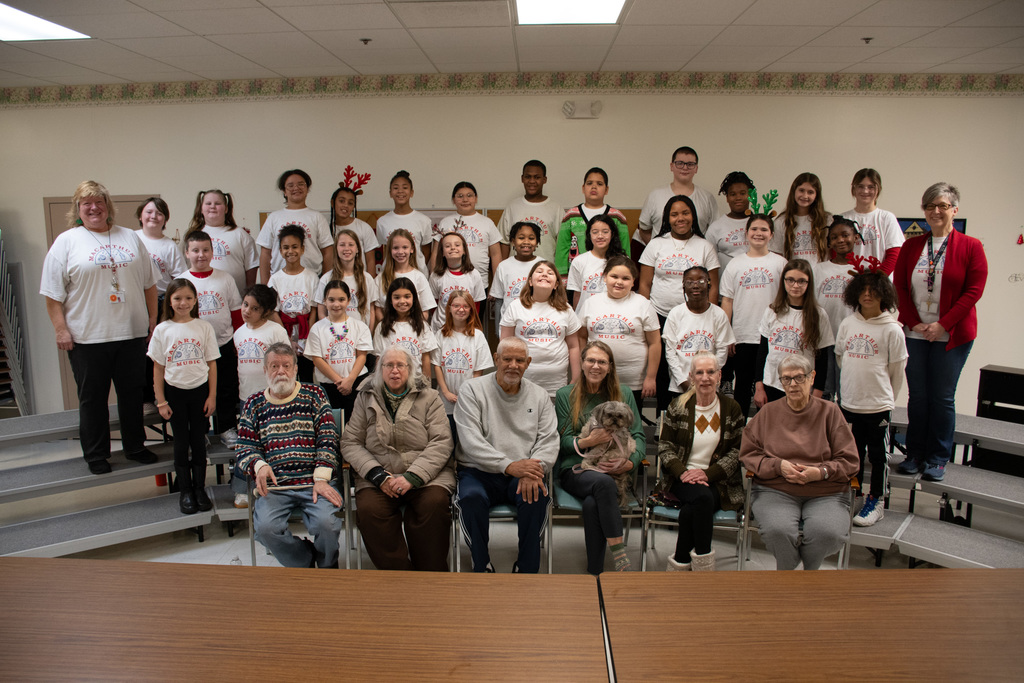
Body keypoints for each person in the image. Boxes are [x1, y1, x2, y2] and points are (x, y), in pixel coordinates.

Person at [41, 180, 159, 474]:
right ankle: (96, 455)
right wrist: (60, 329)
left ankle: (135, 447)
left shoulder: (131, 239)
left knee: (132, 395)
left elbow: (149, 284)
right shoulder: (67, 242)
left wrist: (152, 321)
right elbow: (52, 294)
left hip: (131, 333)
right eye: (86, 204)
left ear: (108, 206)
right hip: (86, 337)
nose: (94, 208)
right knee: (93, 399)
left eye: (99, 202)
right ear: (78, 210)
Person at [894, 182, 987, 482]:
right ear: (924, 211)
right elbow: (899, 288)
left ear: (954, 210)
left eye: (942, 206)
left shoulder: (972, 246)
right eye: (930, 206)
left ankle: (937, 458)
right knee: (918, 396)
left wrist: (943, 324)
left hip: (953, 334)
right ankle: (915, 454)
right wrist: (913, 321)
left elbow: (973, 291)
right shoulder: (911, 246)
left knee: (942, 397)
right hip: (916, 331)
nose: (936, 211)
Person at [739, 354, 859, 570]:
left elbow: (849, 461)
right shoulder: (767, 413)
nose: (793, 384)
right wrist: (778, 466)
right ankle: (790, 571)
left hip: (825, 492)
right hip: (776, 489)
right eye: (786, 379)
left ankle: (806, 572)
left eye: (799, 378)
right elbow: (749, 454)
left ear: (812, 377)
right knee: (778, 531)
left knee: (829, 534)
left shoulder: (830, 412)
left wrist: (820, 472)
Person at [341, 346, 455, 571]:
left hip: (426, 476)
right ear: (379, 369)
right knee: (370, 510)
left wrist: (413, 477)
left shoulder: (430, 397)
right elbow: (350, 442)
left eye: (400, 365)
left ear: (410, 369)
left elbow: (442, 442)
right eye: (388, 365)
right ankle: (399, 574)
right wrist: (378, 476)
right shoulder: (365, 397)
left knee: (434, 504)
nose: (395, 371)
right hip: (380, 477)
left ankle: (430, 574)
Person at [454, 337, 558, 573]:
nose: (513, 365)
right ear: (496, 359)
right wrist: (510, 466)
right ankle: (481, 564)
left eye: (519, 360)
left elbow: (549, 440)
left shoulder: (540, 396)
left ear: (528, 363)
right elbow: (471, 441)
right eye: (507, 359)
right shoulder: (472, 389)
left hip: (523, 473)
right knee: (470, 499)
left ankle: (527, 568)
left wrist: (534, 470)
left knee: (536, 496)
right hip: (478, 472)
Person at [235, 342, 343, 568]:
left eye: (286, 365)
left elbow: (328, 437)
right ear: (265, 370)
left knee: (327, 525)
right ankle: (304, 560)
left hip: (314, 482)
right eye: (274, 366)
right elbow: (245, 446)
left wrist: (322, 478)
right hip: (275, 486)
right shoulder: (253, 404)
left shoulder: (314, 395)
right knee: (265, 529)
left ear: (295, 369)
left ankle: (328, 569)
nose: (280, 371)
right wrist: (259, 465)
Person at [555, 341, 645, 574]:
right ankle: (619, 552)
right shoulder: (566, 395)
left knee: (593, 502)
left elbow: (638, 436)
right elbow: (561, 443)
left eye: (602, 362)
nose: (596, 366)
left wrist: (631, 462)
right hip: (576, 469)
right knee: (603, 484)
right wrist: (587, 442)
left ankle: (594, 571)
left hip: (616, 468)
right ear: (582, 364)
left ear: (610, 367)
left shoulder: (624, 393)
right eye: (590, 360)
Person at [657, 351, 744, 572]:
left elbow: (736, 451)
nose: (705, 377)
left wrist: (708, 474)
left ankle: (681, 562)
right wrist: (683, 472)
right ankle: (704, 565)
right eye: (699, 372)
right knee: (702, 499)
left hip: (719, 481)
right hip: (681, 478)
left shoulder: (731, 408)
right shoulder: (678, 405)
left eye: (710, 372)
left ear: (719, 376)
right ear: (691, 376)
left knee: (695, 506)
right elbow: (665, 447)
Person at [836, 272, 907, 527]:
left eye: (873, 290)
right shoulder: (847, 324)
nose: (867, 295)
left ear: (883, 294)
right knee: (852, 454)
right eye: (863, 290)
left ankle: (877, 500)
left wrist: (884, 399)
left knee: (878, 457)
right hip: (850, 404)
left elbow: (896, 372)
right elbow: (841, 358)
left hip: (877, 405)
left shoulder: (892, 330)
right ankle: (853, 495)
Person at [639, 194, 721, 412]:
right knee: (665, 372)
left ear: (693, 216)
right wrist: (645, 317)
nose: (680, 218)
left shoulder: (705, 247)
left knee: (693, 367)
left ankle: (696, 417)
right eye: (674, 214)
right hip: (660, 315)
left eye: (685, 213)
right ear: (667, 218)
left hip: (695, 318)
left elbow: (713, 287)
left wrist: (710, 317)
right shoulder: (656, 245)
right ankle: (664, 421)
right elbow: (645, 284)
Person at [147, 279, 219, 514]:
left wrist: (212, 397)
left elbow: (211, 364)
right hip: (174, 393)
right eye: (177, 298)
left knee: (198, 441)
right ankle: (185, 491)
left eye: (188, 298)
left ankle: (199, 488)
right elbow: (157, 368)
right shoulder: (162, 329)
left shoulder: (203, 327)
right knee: (180, 442)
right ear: (169, 300)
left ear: (195, 300)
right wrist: (161, 401)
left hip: (199, 392)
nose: (183, 302)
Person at [719, 214, 787, 417]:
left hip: (772, 337)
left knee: (769, 390)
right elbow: (727, 301)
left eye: (764, 229)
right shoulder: (735, 264)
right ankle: (739, 437)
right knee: (742, 388)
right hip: (743, 335)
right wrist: (727, 334)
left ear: (772, 234)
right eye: (754, 229)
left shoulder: (781, 263)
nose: (759, 233)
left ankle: (767, 435)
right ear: (746, 233)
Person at [179, 230, 242, 447]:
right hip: (195, 349)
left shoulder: (224, 278)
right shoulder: (182, 281)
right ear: (187, 252)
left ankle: (226, 428)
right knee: (198, 392)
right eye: (195, 250)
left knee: (226, 389)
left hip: (223, 343)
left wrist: (237, 341)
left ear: (212, 252)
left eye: (205, 250)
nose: (201, 255)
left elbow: (235, 312)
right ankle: (201, 431)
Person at [576, 256, 660, 406]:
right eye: (614, 276)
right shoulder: (590, 303)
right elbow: (582, 337)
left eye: (625, 278)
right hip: (596, 378)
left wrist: (651, 377)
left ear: (633, 281)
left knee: (628, 425)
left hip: (632, 381)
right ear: (604, 277)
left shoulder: (644, 304)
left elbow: (654, 343)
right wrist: (584, 367)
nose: (619, 282)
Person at [231, 284, 288, 507]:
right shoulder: (239, 333)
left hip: (271, 396)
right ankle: (242, 488)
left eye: (254, 308)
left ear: (265, 311)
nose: (246, 310)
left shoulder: (275, 331)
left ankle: (276, 483)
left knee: (272, 441)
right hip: (247, 397)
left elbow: (285, 365)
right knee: (246, 442)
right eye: (245, 304)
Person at [754, 259, 834, 408]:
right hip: (772, 384)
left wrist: (816, 394)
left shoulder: (818, 315)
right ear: (783, 281)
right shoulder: (772, 311)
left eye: (801, 281)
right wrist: (759, 387)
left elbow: (822, 360)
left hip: (801, 388)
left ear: (809, 284)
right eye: (790, 280)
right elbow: (762, 351)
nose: (795, 285)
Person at [500, 260, 581, 398]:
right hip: (523, 378)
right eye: (539, 272)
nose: (544, 275)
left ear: (556, 284)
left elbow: (573, 346)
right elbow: (504, 345)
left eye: (550, 273)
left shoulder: (566, 309)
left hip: (556, 382)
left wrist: (576, 378)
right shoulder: (516, 306)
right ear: (530, 281)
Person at [135, 196, 187, 408]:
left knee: (160, 350)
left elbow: (180, 279)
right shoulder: (132, 238)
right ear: (141, 215)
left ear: (165, 218)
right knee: (140, 349)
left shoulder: (169, 245)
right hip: (137, 300)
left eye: (159, 213)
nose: (153, 217)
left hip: (162, 301)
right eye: (149, 212)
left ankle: (162, 395)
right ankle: (145, 397)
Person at [662, 266, 735, 403]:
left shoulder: (719, 315)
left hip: (709, 386)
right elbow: (670, 353)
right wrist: (684, 382)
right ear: (683, 286)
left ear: (709, 284)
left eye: (701, 281)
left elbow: (721, 352)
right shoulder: (676, 313)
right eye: (690, 282)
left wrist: (706, 379)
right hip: (680, 386)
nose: (695, 286)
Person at [304, 280, 372, 423]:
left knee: (356, 423)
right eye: (331, 299)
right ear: (324, 301)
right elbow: (317, 359)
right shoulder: (317, 328)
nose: (336, 304)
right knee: (333, 423)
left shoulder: (359, 326)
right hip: (330, 385)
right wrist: (339, 381)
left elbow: (361, 356)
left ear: (348, 301)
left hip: (356, 382)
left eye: (341, 299)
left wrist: (350, 380)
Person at [432, 290, 493, 439]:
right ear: (449, 308)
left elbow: (479, 370)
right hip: (445, 400)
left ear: (471, 309)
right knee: (446, 438)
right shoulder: (441, 334)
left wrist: (467, 393)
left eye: (466, 306)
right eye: (456, 305)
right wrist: (446, 392)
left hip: (469, 398)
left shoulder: (477, 336)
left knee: (466, 438)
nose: (461, 309)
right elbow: (437, 366)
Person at [257, 169, 334, 283]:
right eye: (290, 185)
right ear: (284, 191)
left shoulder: (317, 217)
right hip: (279, 280)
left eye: (301, 184)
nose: (296, 188)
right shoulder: (274, 218)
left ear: (307, 189)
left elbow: (328, 252)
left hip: (312, 279)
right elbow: (265, 254)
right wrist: (264, 285)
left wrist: (326, 282)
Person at [637, 146, 718, 251]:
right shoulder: (655, 195)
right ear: (671, 166)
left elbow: (714, 232)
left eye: (690, 164)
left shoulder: (707, 198)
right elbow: (644, 230)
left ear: (696, 168)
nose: (685, 168)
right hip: (662, 260)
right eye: (679, 163)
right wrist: (660, 249)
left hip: (696, 260)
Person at [267, 224, 320, 382]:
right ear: (280, 251)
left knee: (306, 377)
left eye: (295, 247)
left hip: (306, 334)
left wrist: (307, 337)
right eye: (286, 247)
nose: (291, 251)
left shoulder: (311, 277)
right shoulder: (275, 279)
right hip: (283, 332)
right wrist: (287, 339)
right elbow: (273, 312)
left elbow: (314, 310)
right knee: (285, 376)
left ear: (303, 249)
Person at [813, 217, 860, 396]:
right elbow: (812, 304)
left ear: (855, 238)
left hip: (850, 341)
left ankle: (844, 425)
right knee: (824, 391)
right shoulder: (819, 269)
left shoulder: (863, 269)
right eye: (834, 237)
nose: (840, 240)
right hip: (824, 339)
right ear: (829, 242)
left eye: (845, 235)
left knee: (847, 392)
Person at [555, 167, 631, 276]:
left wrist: (624, 274)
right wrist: (561, 277)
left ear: (606, 189)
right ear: (583, 188)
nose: (594, 187)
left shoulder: (617, 217)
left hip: (609, 276)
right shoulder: (571, 215)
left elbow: (624, 249)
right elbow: (562, 249)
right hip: (576, 275)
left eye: (599, 184)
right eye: (589, 183)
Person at [184, 189, 257, 295]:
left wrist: (249, 295)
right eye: (208, 203)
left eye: (217, 203)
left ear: (226, 208)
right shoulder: (190, 235)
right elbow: (183, 266)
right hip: (198, 297)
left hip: (235, 297)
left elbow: (251, 266)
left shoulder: (240, 234)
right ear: (201, 208)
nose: (212, 206)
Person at [432, 181, 503, 288]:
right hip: (450, 282)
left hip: (480, 283)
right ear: (453, 200)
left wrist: (497, 286)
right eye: (460, 196)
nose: (465, 200)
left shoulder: (487, 223)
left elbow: (496, 255)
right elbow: (436, 254)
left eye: (469, 196)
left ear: (476, 198)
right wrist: (434, 278)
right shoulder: (445, 222)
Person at [373, 277, 438, 382]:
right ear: (390, 300)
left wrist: (427, 386)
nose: (402, 301)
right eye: (397, 297)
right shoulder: (382, 326)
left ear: (414, 299)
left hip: (416, 382)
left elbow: (426, 358)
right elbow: (379, 359)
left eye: (407, 296)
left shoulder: (422, 326)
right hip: (391, 382)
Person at [840, 168, 904, 274]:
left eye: (871, 187)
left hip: (880, 283)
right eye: (860, 186)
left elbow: (894, 256)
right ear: (854, 189)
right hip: (849, 281)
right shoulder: (842, 219)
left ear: (878, 189)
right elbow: (836, 254)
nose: (865, 191)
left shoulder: (887, 218)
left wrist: (875, 280)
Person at [497, 160, 563, 263]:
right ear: (522, 179)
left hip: (545, 272)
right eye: (528, 177)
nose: (532, 181)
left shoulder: (556, 208)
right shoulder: (512, 207)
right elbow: (504, 242)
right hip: (516, 272)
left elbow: (562, 244)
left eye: (537, 177)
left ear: (544, 180)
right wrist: (503, 267)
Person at [314, 228, 378, 330]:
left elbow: (372, 311)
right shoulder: (326, 279)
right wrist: (330, 332)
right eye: (342, 245)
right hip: (334, 335)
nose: (346, 248)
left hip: (360, 336)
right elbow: (321, 312)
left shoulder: (367, 279)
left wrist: (368, 335)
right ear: (336, 249)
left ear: (357, 249)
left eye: (351, 245)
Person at [375, 170, 433, 274]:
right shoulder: (382, 222)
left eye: (405, 188)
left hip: (417, 274)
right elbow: (385, 250)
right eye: (396, 188)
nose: (400, 191)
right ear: (390, 193)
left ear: (411, 193)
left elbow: (426, 251)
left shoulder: (424, 220)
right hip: (390, 275)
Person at [566, 215, 627, 311]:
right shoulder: (579, 261)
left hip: (614, 314)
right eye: (595, 232)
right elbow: (577, 295)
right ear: (589, 235)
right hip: (586, 316)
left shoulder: (622, 260)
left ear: (612, 234)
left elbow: (626, 291)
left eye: (605, 232)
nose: (600, 236)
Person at [374, 229, 436, 321]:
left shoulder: (419, 277)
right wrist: (387, 328)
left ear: (412, 249)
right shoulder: (381, 278)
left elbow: (425, 311)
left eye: (405, 247)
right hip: (389, 331)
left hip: (413, 332)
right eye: (395, 248)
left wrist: (414, 329)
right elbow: (378, 309)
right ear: (390, 250)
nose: (400, 252)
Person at [429, 231, 486, 331]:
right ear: (442, 252)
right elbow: (434, 304)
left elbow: (476, 304)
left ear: (464, 250)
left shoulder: (474, 274)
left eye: (457, 245)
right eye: (447, 246)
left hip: (466, 328)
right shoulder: (436, 275)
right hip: (441, 328)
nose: (453, 248)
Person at [771, 173, 830, 266]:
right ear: (794, 191)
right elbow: (777, 255)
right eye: (801, 190)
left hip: (820, 276)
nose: (805, 196)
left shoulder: (827, 220)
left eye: (810, 192)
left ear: (816, 196)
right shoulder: (781, 221)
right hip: (794, 277)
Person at [489, 220, 541, 322]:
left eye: (531, 238)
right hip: (509, 323)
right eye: (521, 238)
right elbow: (499, 301)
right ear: (513, 241)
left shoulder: (543, 265)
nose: (526, 242)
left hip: (535, 323)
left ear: (537, 242)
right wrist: (498, 331)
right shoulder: (503, 266)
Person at [704, 171, 755, 274]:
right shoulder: (716, 227)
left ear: (750, 195)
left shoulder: (761, 224)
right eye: (733, 194)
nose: (738, 198)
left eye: (742, 193)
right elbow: (708, 262)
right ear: (727, 198)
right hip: (726, 285)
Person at [329, 183, 378, 274]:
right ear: (333, 203)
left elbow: (370, 261)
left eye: (350, 203)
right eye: (341, 201)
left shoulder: (363, 227)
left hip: (360, 282)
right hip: (337, 283)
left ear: (354, 206)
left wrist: (370, 284)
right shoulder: (327, 229)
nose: (345, 205)